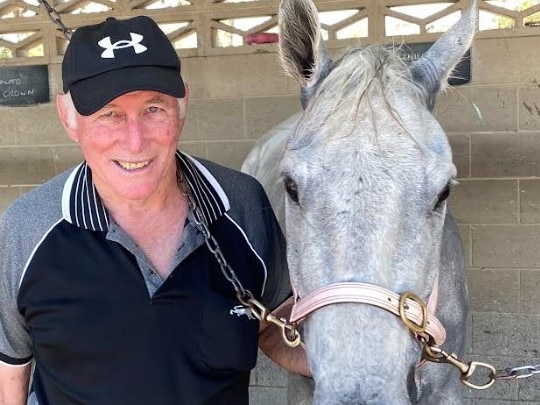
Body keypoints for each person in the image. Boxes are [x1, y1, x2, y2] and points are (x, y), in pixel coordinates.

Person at [0, 15, 308, 405]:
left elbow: (273, 325)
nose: (135, 141)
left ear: (182, 107)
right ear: (68, 118)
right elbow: (10, 370)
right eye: (110, 113)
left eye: (153, 109)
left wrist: (379, 352)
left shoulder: (241, 204)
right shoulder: (27, 227)